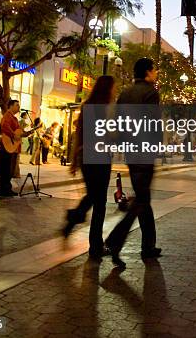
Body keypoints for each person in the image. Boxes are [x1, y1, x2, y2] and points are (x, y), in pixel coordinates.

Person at [105, 57, 162, 269]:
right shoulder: (151, 92)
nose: (156, 73)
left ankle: (148, 246)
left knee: (143, 199)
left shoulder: (125, 93)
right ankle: (114, 241)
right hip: (144, 151)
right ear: (147, 72)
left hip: (130, 151)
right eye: (154, 69)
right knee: (141, 200)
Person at [62, 76, 115, 261]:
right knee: (99, 202)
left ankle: (74, 219)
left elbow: (80, 134)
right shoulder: (107, 108)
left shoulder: (87, 106)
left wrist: (75, 159)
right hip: (100, 156)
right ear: (108, 89)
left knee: (93, 196)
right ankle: (95, 247)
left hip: (86, 156)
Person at [0, 99, 27, 197]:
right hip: (4, 146)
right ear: (11, 106)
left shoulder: (14, 118)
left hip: (9, 147)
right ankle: (4, 189)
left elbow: (18, 132)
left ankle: (7, 188)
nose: (18, 107)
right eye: (17, 105)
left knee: (8, 168)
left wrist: (24, 134)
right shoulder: (7, 116)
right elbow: (5, 126)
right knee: (5, 168)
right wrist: (13, 135)